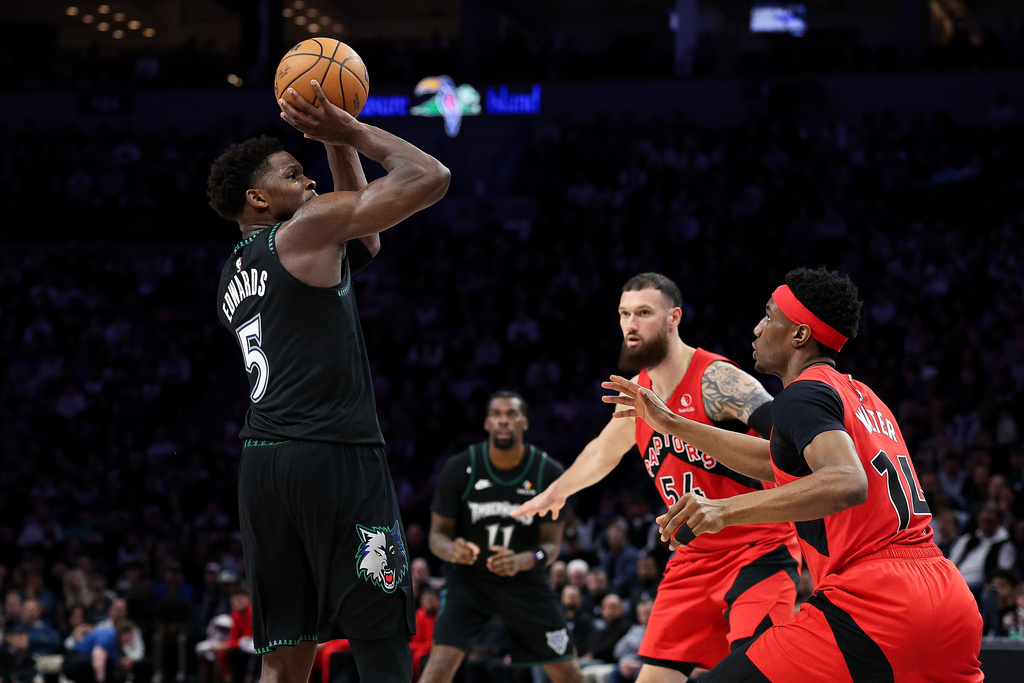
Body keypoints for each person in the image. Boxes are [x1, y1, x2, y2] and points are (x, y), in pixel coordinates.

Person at [602, 267, 983, 681]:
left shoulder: (801, 394)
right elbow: (775, 461)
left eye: (769, 316)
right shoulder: (861, 395)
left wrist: (724, 509)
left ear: (799, 335)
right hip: (946, 595)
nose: (757, 327)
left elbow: (846, 481)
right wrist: (674, 422)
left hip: (876, 599)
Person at [207, 78, 450, 683]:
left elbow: (363, 237)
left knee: (284, 659)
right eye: (293, 174)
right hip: (334, 455)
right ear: (259, 199)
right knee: (383, 642)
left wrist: (335, 148)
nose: (308, 181)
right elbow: (430, 178)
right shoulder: (304, 230)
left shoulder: (234, 273)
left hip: (263, 466)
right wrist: (353, 132)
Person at [515, 272, 800, 681]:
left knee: (753, 673)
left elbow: (788, 439)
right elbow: (602, 451)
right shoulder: (636, 392)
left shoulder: (716, 379)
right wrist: (555, 493)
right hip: (692, 556)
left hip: (758, 547)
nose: (630, 324)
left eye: (643, 313)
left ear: (673, 317)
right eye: (624, 314)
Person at [420, 391, 584, 683]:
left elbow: (550, 546)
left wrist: (525, 559)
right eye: (496, 414)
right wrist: (451, 549)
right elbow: (437, 536)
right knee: (438, 668)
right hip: (468, 581)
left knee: (568, 673)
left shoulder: (548, 472)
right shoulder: (460, 467)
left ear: (525, 422)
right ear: (486, 423)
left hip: (526, 583)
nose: (503, 421)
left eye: (511, 414)